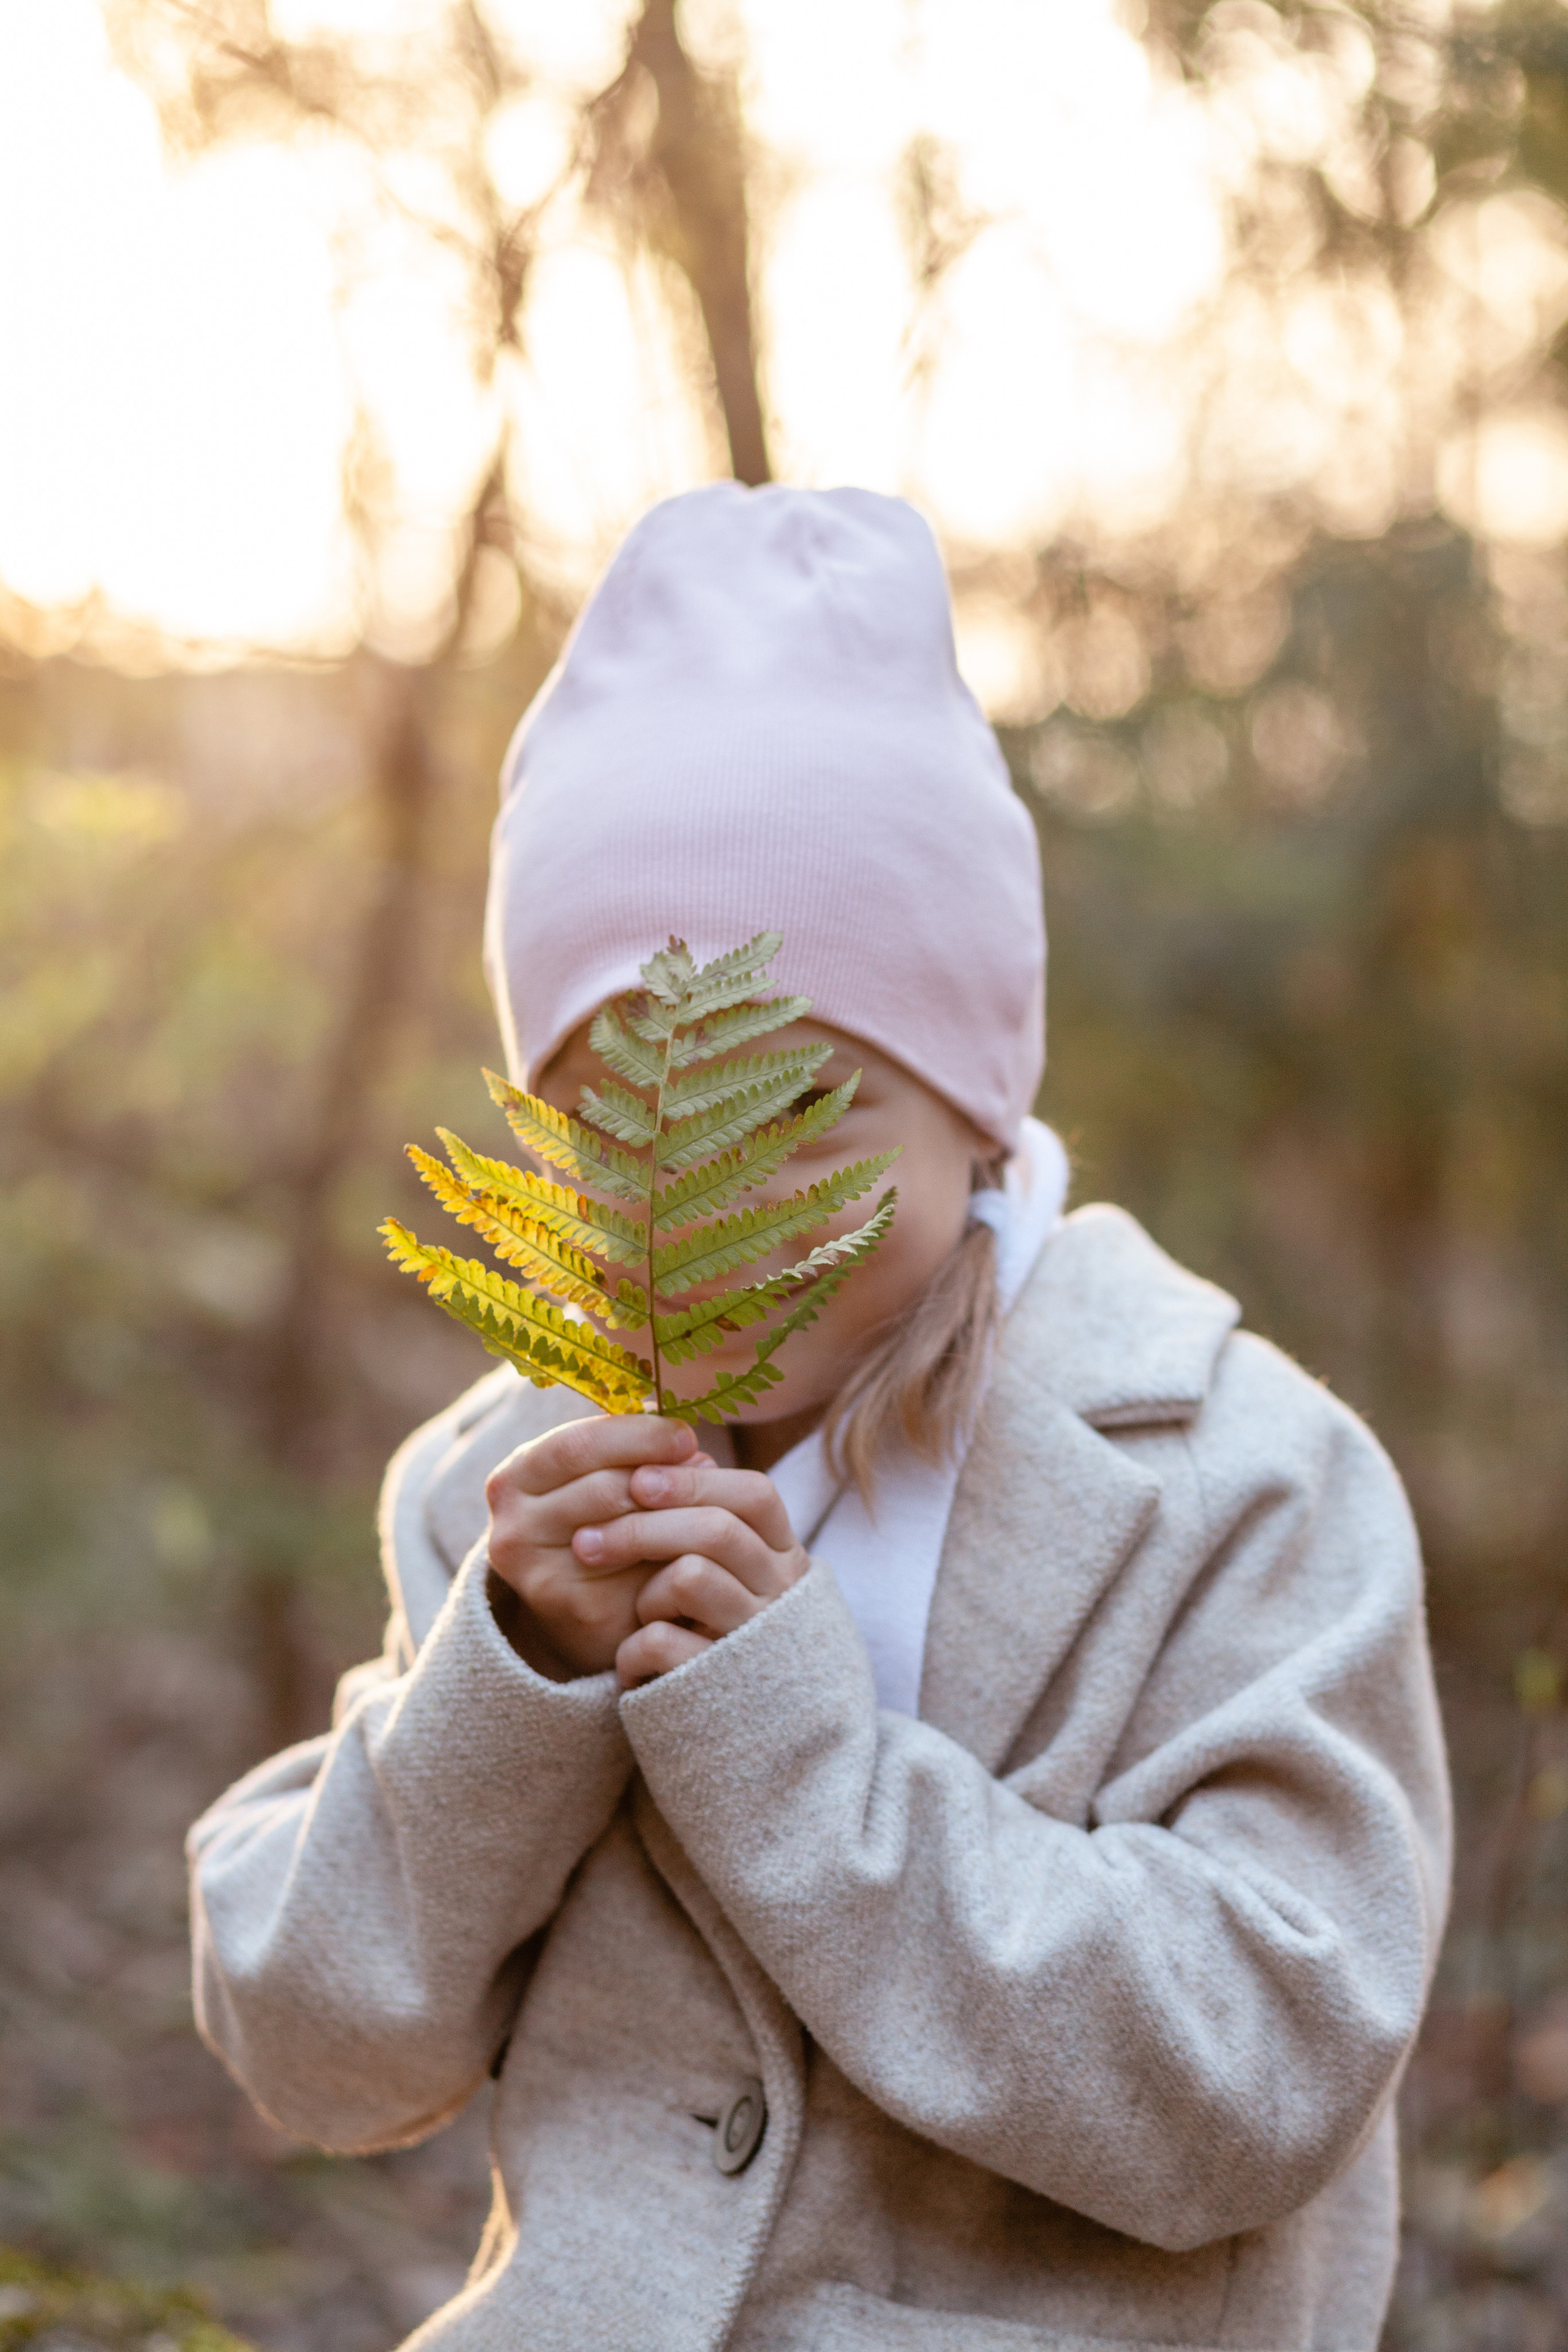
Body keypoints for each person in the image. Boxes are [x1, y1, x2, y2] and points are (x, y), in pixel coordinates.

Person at [188, 486, 1451, 2352]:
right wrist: (505, 1685)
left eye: (803, 1118)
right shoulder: (498, 1489)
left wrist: (809, 1775)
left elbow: (1263, 2071)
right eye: (614, 1129)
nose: (707, 1215)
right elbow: (318, 2048)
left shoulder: (1245, 1481)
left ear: (974, 1102)